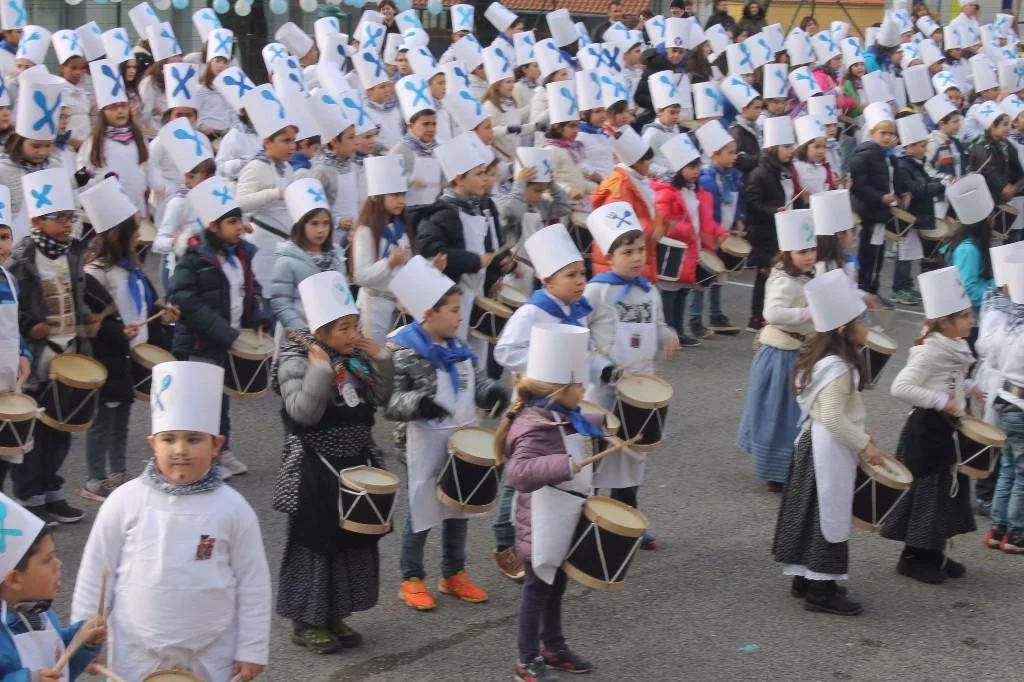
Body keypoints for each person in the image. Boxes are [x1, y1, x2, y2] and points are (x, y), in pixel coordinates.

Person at [71, 361, 271, 682]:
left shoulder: (233, 508)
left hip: (212, 654)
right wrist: (84, 640)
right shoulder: (125, 501)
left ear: (216, 445)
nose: (180, 450)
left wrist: (252, 649)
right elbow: (96, 573)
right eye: (169, 440)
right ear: (153, 444)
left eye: (193, 439)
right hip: (134, 654)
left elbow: (253, 582)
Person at [272, 270, 393, 653]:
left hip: (355, 461)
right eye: (344, 328)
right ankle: (306, 620)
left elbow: (381, 400)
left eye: (356, 325)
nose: (354, 334)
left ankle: (334, 612)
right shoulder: (296, 359)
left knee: (349, 538)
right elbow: (302, 413)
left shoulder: (355, 360)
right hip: (316, 466)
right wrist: (321, 369)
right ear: (321, 330)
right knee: (315, 540)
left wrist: (382, 359)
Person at [385, 256, 508, 611]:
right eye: (453, 311)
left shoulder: (458, 349)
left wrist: (491, 392)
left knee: (459, 505)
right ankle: (411, 576)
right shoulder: (403, 351)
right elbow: (391, 400)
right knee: (422, 507)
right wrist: (420, 404)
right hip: (420, 442)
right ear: (429, 313)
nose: (460, 317)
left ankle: (453, 572)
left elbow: (476, 381)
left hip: (460, 439)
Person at [493, 223, 606, 582]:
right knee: (520, 477)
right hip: (534, 408)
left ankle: (550, 535)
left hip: (567, 406)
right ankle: (505, 542)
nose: (580, 281)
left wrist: (600, 368)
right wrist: (546, 366)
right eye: (570, 275)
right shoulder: (531, 313)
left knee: (556, 471)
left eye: (582, 273)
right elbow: (504, 351)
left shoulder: (578, 311)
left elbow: (585, 352)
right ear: (547, 280)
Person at [771, 268, 885, 616]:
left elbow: (826, 410)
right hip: (828, 448)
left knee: (809, 513)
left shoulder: (819, 357)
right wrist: (864, 444)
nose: (866, 326)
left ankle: (803, 578)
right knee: (828, 514)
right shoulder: (838, 368)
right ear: (841, 329)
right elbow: (833, 418)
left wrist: (860, 429)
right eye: (860, 321)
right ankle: (820, 591)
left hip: (813, 443)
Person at [499, 324, 598, 682]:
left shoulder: (562, 416)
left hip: (563, 515)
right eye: (578, 385)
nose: (584, 389)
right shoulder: (533, 425)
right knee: (537, 589)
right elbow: (519, 472)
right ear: (559, 390)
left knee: (556, 584)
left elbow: (582, 428)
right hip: (541, 521)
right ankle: (526, 660)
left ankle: (553, 646)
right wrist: (563, 465)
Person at [585, 202, 680, 549]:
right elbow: (579, 334)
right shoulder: (596, 291)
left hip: (639, 388)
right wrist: (601, 367)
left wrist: (667, 334)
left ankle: (627, 520)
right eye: (628, 252)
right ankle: (587, 522)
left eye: (640, 249)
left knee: (632, 458)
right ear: (609, 257)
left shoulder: (649, 290)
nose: (637, 257)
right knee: (596, 458)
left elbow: (657, 323)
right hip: (603, 391)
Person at [879, 267, 980, 582]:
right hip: (927, 432)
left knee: (945, 496)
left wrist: (969, 387)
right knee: (926, 496)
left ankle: (934, 552)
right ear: (945, 323)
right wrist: (939, 400)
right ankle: (912, 557)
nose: (972, 320)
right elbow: (900, 387)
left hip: (948, 429)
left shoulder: (955, 344)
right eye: (965, 316)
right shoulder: (930, 351)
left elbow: (951, 381)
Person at [79, 178, 176, 502]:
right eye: (134, 231)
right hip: (108, 353)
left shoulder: (130, 267)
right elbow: (91, 321)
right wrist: (117, 333)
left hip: (130, 351)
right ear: (118, 235)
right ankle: (95, 478)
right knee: (103, 419)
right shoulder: (96, 272)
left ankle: (118, 471)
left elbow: (144, 303)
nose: (139, 237)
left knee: (123, 415)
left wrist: (161, 313)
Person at [169, 177, 270, 479]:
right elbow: (184, 298)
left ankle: (220, 450)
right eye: (232, 222)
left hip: (230, 339)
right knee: (202, 403)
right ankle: (205, 459)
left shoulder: (241, 254)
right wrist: (224, 332)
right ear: (213, 225)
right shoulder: (194, 258)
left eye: (240, 220)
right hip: (202, 343)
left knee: (221, 400)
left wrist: (259, 317)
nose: (240, 227)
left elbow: (252, 289)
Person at [9, 169, 89, 524]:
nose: (68, 224)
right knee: (34, 431)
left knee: (61, 423)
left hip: (68, 349)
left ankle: (53, 491)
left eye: (71, 217)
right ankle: (30, 496)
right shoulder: (21, 260)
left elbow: (79, 294)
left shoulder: (72, 253)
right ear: (37, 221)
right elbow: (12, 310)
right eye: (60, 218)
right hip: (37, 354)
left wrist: (88, 320)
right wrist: (31, 326)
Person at [737, 208, 817, 491]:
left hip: (797, 351)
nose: (809, 256)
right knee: (778, 415)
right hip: (781, 353)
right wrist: (807, 313)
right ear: (787, 253)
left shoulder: (805, 276)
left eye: (812, 250)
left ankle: (790, 467)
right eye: (802, 251)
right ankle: (777, 472)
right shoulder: (784, 279)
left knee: (792, 414)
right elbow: (772, 312)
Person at [417, 133, 512, 360]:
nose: (484, 179)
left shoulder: (478, 208)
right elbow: (433, 250)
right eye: (478, 174)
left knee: (476, 359)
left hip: (477, 294)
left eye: (484, 173)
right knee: (453, 355)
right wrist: (475, 261)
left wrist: (495, 272)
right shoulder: (442, 212)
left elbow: (487, 250)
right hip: (453, 298)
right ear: (459, 179)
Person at [0, 496, 107, 680]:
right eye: (48, 559)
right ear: (14, 579)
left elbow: (55, 657)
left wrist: (82, 641)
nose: (58, 564)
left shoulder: (37, 610)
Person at [653, 132, 722, 347]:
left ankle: (679, 331)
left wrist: (719, 233)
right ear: (678, 168)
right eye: (691, 167)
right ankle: (668, 333)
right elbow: (664, 219)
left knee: (683, 290)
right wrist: (687, 230)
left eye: (697, 166)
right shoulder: (667, 191)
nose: (696, 171)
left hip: (691, 247)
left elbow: (704, 218)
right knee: (669, 292)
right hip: (673, 249)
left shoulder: (695, 191)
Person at [234, 85, 296, 292]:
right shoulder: (256, 167)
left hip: (284, 243)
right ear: (267, 142)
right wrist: (274, 194)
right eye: (286, 141)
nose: (292, 147)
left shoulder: (287, 168)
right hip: (264, 245)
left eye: (293, 141)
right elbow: (240, 202)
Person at [744, 117, 804, 332]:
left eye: (791, 146)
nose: (791, 150)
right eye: (786, 146)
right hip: (765, 231)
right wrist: (774, 211)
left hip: (782, 229)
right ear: (772, 148)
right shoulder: (760, 173)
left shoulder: (785, 170)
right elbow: (752, 203)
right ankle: (757, 316)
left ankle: (773, 312)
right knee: (765, 274)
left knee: (777, 273)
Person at [984, 253, 1024, 552]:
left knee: (1007, 466)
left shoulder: (1007, 326)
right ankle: (1017, 532)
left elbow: (993, 361)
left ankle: (998, 529)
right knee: (1021, 473)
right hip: (1022, 405)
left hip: (1004, 401)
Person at [269, 177, 345, 334]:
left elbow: (344, 295)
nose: (321, 230)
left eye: (326, 223)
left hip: (334, 334)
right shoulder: (287, 260)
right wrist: (304, 333)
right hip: (300, 335)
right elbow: (281, 303)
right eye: (314, 224)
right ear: (301, 226)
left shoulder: (336, 256)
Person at [349, 156, 412, 344]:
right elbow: (360, 276)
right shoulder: (366, 231)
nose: (401, 201)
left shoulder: (401, 228)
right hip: (374, 304)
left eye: (403, 195)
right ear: (377, 197)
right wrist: (389, 264)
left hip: (399, 304)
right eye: (395, 195)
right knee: (373, 353)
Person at [892, 112, 945, 306]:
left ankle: (906, 285)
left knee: (910, 253)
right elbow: (915, 188)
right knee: (904, 253)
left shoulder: (915, 163)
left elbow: (925, 181)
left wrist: (938, 181)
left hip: (917, 215)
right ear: (910, 146)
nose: (925, 150)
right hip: (908, 216)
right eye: (922, 146)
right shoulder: (903, 166)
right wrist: (938, 186)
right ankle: (899, 288)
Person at [849, 103, 898, 303]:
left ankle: (874, 288)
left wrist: (901, 192)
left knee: (878, 251)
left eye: (890, 134)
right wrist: (879, 197)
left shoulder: (889, 155)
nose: (887, 137)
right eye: (883, 133)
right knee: (868, 252)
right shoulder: (866, 154)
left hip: (883, 211)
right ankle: (864, 288)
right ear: (872, 133)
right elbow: (858, 185)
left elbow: (894, 178)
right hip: (870, 211)